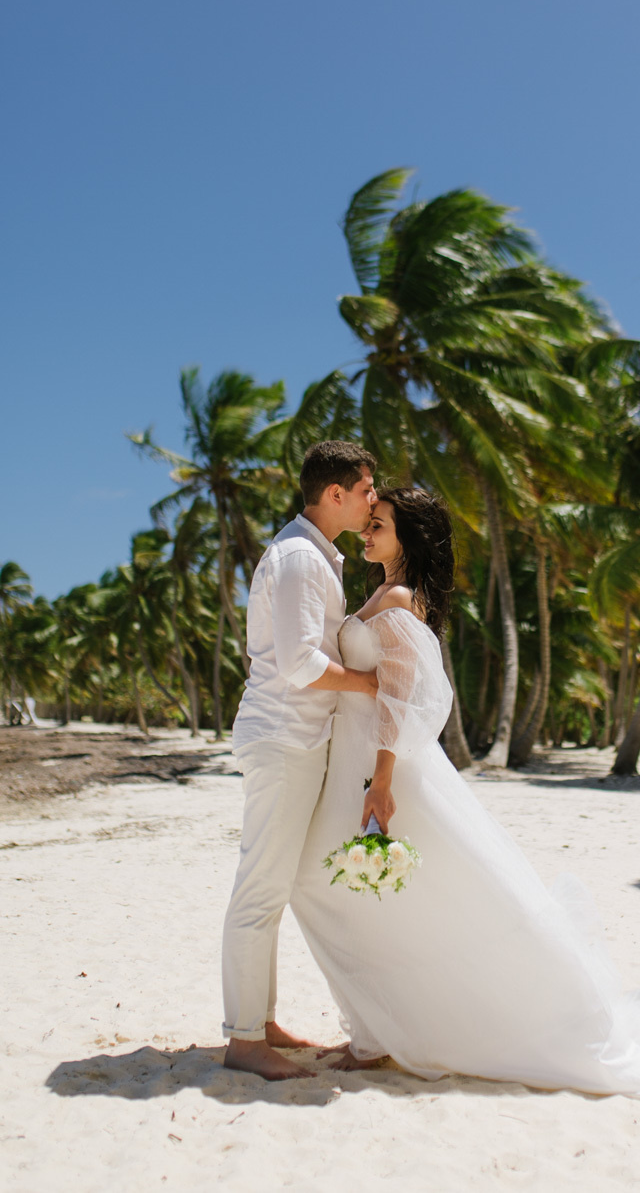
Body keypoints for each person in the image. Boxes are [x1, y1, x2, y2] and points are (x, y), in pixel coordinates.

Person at [290, 487, 640, 1101]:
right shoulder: (383, 593)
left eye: (378, 525)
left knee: (351, 893)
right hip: (358, 764)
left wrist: (382, 781)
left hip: (380, 768)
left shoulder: (395, 600)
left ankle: (381, 1035)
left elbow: (404, 694)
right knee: (358, 897)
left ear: (408, 538)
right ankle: (374, 1032)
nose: (367, 531)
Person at [221, 439, 380, 1082]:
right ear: (335, 495)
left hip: (299, 740)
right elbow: (298, 664)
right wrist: (372, 687)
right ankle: (242, 1038)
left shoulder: (316, 556)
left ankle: (259, 1023)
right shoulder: (296, 559)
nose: (374, 500)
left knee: (275, 887)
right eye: (367, 489)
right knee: (259, 890)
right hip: (283, 738)